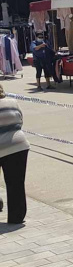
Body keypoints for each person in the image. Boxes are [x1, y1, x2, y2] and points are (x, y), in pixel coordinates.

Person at [0, 84, 28, 224]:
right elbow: (20, 120)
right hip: (18, 144)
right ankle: (17, 217)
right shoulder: (13, 102)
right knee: (16, 182)